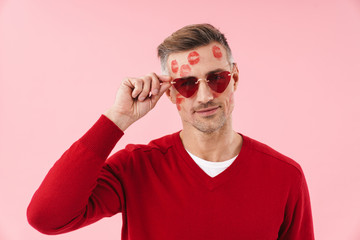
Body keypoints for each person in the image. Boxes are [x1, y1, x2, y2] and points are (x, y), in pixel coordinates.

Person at [27, 23, 315, 239]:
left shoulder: (285, 176)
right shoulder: (136, 168)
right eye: (187, 84)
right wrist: (117, 119)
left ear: (235, 78)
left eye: (216, 78)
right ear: (171, 93)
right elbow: (47, 217)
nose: (204, 96)